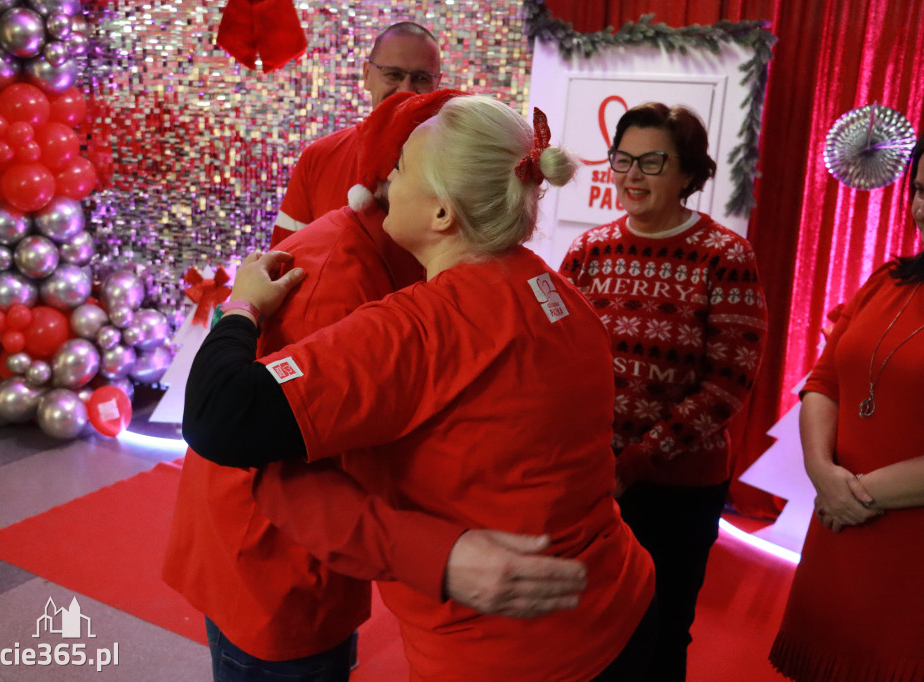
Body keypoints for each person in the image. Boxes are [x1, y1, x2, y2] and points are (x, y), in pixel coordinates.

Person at [183, 95, 657, 681]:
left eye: (402, 168)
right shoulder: (555, 291)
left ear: (441, 214)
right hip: (615, 602)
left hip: (507, 654)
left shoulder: (427, 325)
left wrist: (241, 308)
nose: (386, 180)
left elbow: (216, 414)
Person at [559, 102, 768, 682]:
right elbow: (556, 358)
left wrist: (641, 457)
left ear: (688, 173)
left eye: (651, 161)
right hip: (590, 478)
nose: (632, 175)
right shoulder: (588, 251)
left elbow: (729, 382)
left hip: (676, 487)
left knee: (662, 625)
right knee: (587, 627)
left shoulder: (725, 256)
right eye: (623, 159)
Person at [769, 139, 924, 682]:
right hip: (841, 528)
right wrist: (821, 473)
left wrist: (852, 495)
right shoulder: (888, 282)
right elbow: (825, 380)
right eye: (921, 191)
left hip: (908, 548)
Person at [271, 21, 441, 244]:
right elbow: (283, 261)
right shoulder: (318, 158)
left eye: (421, 78)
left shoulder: (457, 166)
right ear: (366, 74)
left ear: (437, 84)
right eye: (393, 74)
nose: (406, 90)